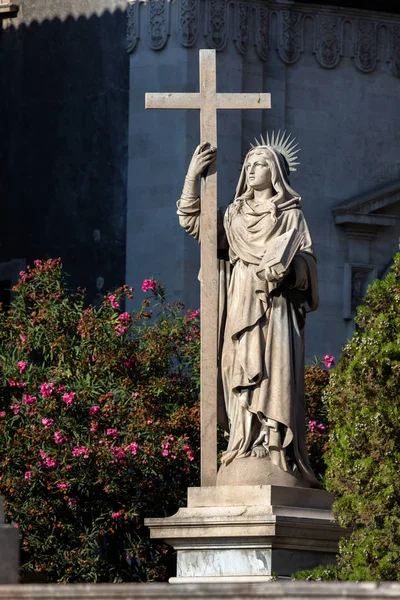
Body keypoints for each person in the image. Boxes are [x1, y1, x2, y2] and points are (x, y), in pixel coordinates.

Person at [177, 139, 319, 487]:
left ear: (276, 174)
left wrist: (289, 268)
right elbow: (194, 225)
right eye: (250, 163)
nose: (253, 168)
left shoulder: (291, 216)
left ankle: (275, 443)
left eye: (261, 163)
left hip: (278, 306)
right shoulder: (233, 214)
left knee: (275, 370)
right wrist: (192, 176)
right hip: (241, 298)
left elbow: (308, 264)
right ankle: (242, 443)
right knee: (236, 366)